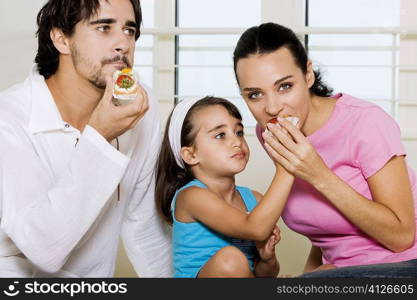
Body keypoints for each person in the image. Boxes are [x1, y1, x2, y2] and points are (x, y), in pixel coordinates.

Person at [0, 0, 171, 277]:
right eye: (104, 28)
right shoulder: (9, 119)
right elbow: (43, 248)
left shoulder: (139, 105)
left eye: (129, 30)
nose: (123, 44)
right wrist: (100, 137)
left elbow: (145, 228)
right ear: (61, 39)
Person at [233, 22, 417, 277]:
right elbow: (326, 232)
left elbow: (402, 237)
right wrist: (307, 277)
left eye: (285, 86)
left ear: (308, 74)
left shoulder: (365, 123)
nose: (272, 108)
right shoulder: (269, 133)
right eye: (255, 95)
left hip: (403, 266)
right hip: (336, 274)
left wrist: (317, 173)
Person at [155, 96, 294, 277]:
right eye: (220, 135)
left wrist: (267, 259)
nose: (237, 142)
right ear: (190, 155)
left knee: (328, 271)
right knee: (231, 260)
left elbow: (264, 275)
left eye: (239, 132)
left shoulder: (255, 201)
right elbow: (256, 229)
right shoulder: (191, 197)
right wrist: (287, 168)